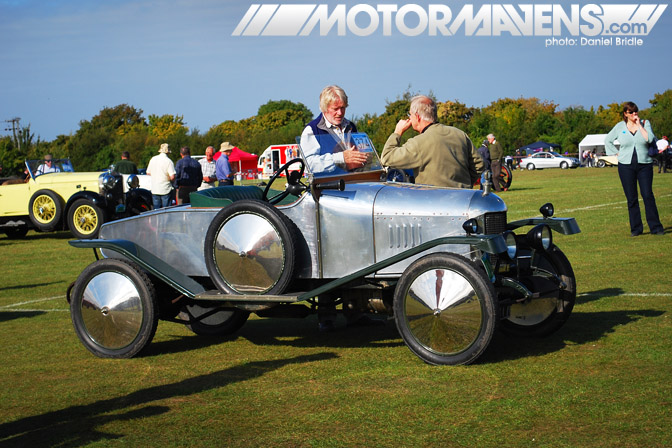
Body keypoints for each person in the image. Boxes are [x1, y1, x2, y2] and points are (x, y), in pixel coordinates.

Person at [380, 95, 483, 189]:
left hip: (434, 203)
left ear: (417, 117)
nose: (409, 118)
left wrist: (397, 132)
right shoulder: (460, 134)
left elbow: (386, 157)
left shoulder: (418, 142)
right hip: (463, 200)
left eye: (410, 114)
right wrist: (463, 184)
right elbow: (479, 164)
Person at [604, 102, 664, 236]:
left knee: (648, 195)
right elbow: (608, 140)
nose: (634, 114)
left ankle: (656, 227)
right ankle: (636, 229)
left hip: (645, 165)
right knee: (631, 198)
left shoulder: (644, 123)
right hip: (626, 166)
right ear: (625, 114)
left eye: (636, 111)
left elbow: (649, 139)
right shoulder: (620, 126)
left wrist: (639, 125)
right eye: (631, 112)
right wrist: (616, 153)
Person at [299, 85, 368, 174]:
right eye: (335, 109)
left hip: (352, 183)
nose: (340, 113)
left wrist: (366, 156)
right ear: (325, 108)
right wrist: (340, 158)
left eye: (343, 108)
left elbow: (362, 154)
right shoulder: (312, 130)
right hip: (327, 186)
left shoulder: (351, 126)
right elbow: (307, 164)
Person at [146, 143, 176, 209]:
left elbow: (148, 172)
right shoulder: (168, 161)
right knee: (166, 211)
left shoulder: (153, 159)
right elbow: (172, 176)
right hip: (165, 189)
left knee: (156, 211)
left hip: (155, 189)